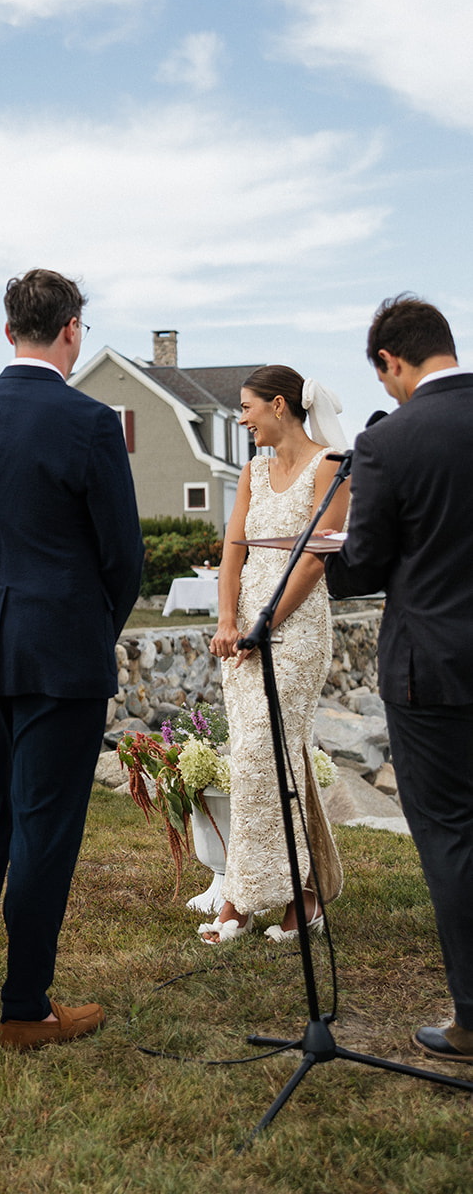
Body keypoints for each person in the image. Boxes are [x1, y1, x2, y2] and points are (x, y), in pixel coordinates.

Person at [0, 269, 142, 1050]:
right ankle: (24, 1007)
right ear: (72, 329)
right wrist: (90, 622)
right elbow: (122, 554)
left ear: (8, 329)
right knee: (43, 829)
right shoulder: (89, 421)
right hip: (61, 647)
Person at [326, 296, 473, 1064]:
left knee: (449, 834)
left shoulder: (389, 440)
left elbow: (362, 566)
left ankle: (472, 1019)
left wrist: (328, 551)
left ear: (390, 360)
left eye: (381, 376)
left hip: (432, 670)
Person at [203, 367, 348, 944]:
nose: (242, 418)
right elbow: (233, 549)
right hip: (241, 638)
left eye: (247, 407)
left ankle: (248, 900)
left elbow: (315, 558)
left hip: (297, 632)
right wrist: (228, 620)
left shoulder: (331, 466)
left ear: (279, 404)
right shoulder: (252, 472)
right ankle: (295, 895)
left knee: (265, 754)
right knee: (257, 758)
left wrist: (266, 622)